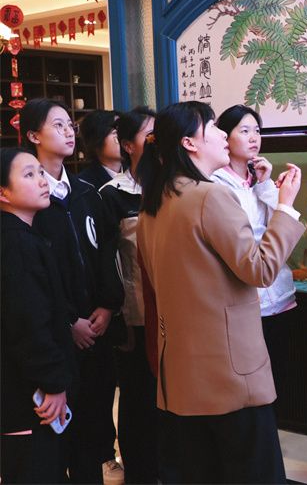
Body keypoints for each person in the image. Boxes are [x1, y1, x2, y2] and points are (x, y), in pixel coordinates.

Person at [136, 101, 305, 483]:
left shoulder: (154, 203)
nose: (222, 135)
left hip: (182, 377)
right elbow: (260, 269)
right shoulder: (209, 196)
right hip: (231, 375)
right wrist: (285, 208)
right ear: (189, 143)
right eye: (213, 126)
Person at [19, 98, 125, 484]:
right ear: (34, 135)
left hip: (96, 328)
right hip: (57, 338)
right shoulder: (28, 199)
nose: (68, 132)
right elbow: (33, 280)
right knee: (56, 439)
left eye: (70, 125)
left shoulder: (84, 191)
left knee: (92, 433)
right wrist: (68, 321)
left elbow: (106, 251)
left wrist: (107, 307)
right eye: (58, 125)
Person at [212, 104, 298, 409]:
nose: (253, 138)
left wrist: (266, 185)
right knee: (252, 383)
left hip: (279, 294)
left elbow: (282, 229)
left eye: (257, 131)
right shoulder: (216, 185)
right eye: (244, 131)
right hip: (246, 298)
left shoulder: (258, 178)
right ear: (225, 137)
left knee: (279, 377)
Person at [0, 148, 76, 484]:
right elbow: (28, 323)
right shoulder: (16, 243)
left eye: (40, 172)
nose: (42, 180)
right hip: (27, 397)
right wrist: (53, 383)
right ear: (3, 192)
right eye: (28, 175)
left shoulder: (20, 236)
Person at [99, 107, 158, 483]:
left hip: (173, 317)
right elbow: (108, 262)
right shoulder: (112, 195)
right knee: (138, 401)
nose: (155, 141)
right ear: (127, 145)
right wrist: (119, 319)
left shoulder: (172, 188)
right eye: (148, 135)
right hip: (135, 317)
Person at [78, 109, 123, 189]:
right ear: (96, 139)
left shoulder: (136, 175)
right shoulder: (84, 184)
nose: (124, 139)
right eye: (115, 133)